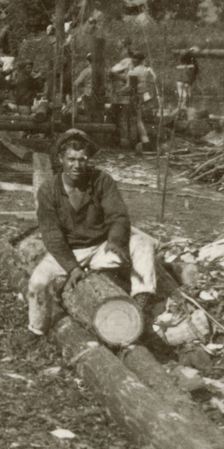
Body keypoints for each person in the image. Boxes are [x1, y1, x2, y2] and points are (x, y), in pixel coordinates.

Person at [27, 129, 157, 336]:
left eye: (82, 159)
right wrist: (72, 268)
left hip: (101, 247)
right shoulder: (49, 190)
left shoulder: (101, 180)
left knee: (143, 243)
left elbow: (118, 216)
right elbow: (52, 235)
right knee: (38, 282)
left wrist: (115, 240)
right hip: (70, 250)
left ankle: (140, 303)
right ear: (61, 159)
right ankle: (36, 330)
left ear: (89, 160)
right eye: (71, 159)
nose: (77, 165)